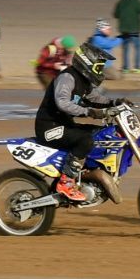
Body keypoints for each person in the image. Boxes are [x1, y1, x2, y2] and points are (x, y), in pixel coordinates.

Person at [35, 40, 121, 201]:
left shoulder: (83, 80)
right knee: (85, 140)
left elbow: (93, 98)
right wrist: (90, 112)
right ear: (87, 63)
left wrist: (114, 102)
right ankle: (66, 182)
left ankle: (87, 174)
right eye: (98, 66)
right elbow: (63, 103)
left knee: (99, 134)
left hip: (64, 125)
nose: (101, 70)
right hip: (49, 128)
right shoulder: (67, 77)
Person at [113, 0, 140, 73]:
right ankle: (137, 67)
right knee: (138, 48)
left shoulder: (121, 1)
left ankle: (125, 68)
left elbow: (116, 14)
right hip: (135, 30)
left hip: (124, 30)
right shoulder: (136, 0)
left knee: (125, 49)